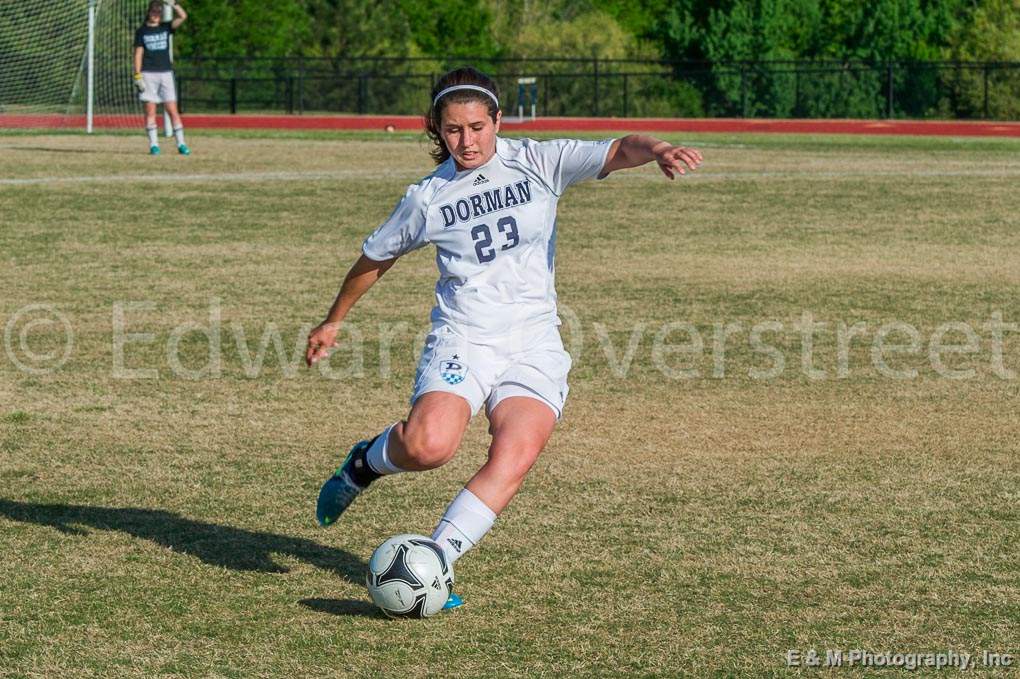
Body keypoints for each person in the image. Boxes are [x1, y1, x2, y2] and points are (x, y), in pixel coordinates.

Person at [306, 66, 702, 610]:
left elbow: (619, 149)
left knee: (515, 454)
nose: (466, 141)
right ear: (436, 131)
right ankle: (363, 464)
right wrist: (333, 321)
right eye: (452, 130)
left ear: (497, 119)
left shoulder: (540, 162)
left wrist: (657, 148)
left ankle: (437, 562)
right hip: (464, 337)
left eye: (476, 126)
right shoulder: (428, 198)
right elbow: (376, 257)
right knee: (428, 446)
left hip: (534, 342)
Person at [133, 0, 188, 156]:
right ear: (148, 13)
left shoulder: (166, 27)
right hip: (148, 74)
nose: (156, 14)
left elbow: (183, 16)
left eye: (158, 12)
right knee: (150, 111)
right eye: (153, 12)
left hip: (165, 73)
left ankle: (181, 144)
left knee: (172, 110)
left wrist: (173, 3)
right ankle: (154, 145)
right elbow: (138, 54)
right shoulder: (142, 31)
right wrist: (137, 75)